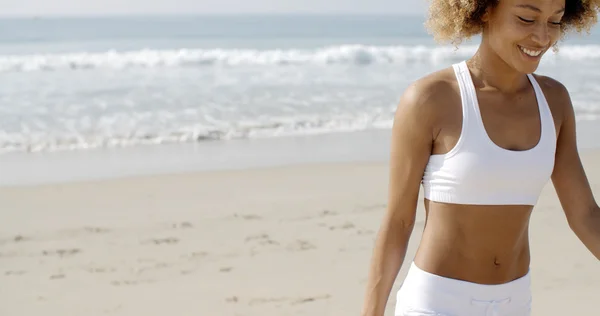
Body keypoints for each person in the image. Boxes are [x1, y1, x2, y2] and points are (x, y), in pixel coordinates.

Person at [360, 0, 600, 315]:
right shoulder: (431, 98)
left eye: (554, 21)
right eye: (526, 18)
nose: (542, 37)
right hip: (437, 302)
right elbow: (398, 221)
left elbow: (584, 215)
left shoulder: (554, 101)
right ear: (484, 9)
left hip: (516, 302)